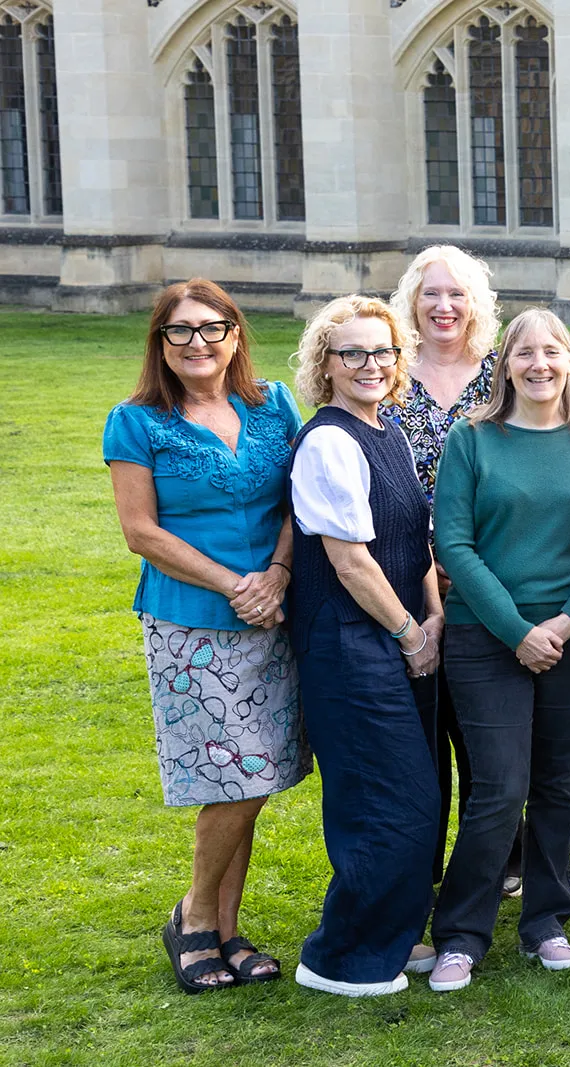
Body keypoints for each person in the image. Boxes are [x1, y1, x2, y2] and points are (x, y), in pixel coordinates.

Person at [104, 280, 307, 992]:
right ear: (160, 343)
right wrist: (235, 584)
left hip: (275, 615)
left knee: (256, 775)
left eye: (210, 327)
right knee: (237, 773)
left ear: (235, 334)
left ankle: (226, 928)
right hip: (192, 623)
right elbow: (141, 531)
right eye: (180, 331)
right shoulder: (137, 421)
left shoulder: (273, 403)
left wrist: (278, 572)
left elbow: (300, 498)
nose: (197, 342)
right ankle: (193, 919)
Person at [425, 309, 570, 991]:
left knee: (556, 783)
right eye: (525, 353)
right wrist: (517, 631)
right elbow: (452, 544)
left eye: (553, 352)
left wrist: (564, 624)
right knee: (499, 788)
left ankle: (545, 921)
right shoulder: (472, 439)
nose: (540, 364)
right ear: (504, 365)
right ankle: (460, 933)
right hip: (486, 637)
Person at [288, 296, 444, 996]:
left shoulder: (388, 431)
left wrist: (432, 614)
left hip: (400, 628)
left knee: (415, 794)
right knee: (385, 798)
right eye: (352, 352)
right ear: (325, 364)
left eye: (382, 351)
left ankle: (392, 932)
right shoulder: (328, 441)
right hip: (350, 640)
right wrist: (411, 633)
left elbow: (413, 540)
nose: (370, 364)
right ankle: (340, 958)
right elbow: (350, 561)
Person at [384, 245, 509, 961]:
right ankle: (418, 886)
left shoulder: (501, 375)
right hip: (401, 582)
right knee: (420, 747)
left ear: (476, 302)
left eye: (457, 294)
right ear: (413, 299)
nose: (443, 307)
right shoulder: (385, 369)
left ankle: (489, 883)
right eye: (431, 294)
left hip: (488, 583)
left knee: (489, 747)